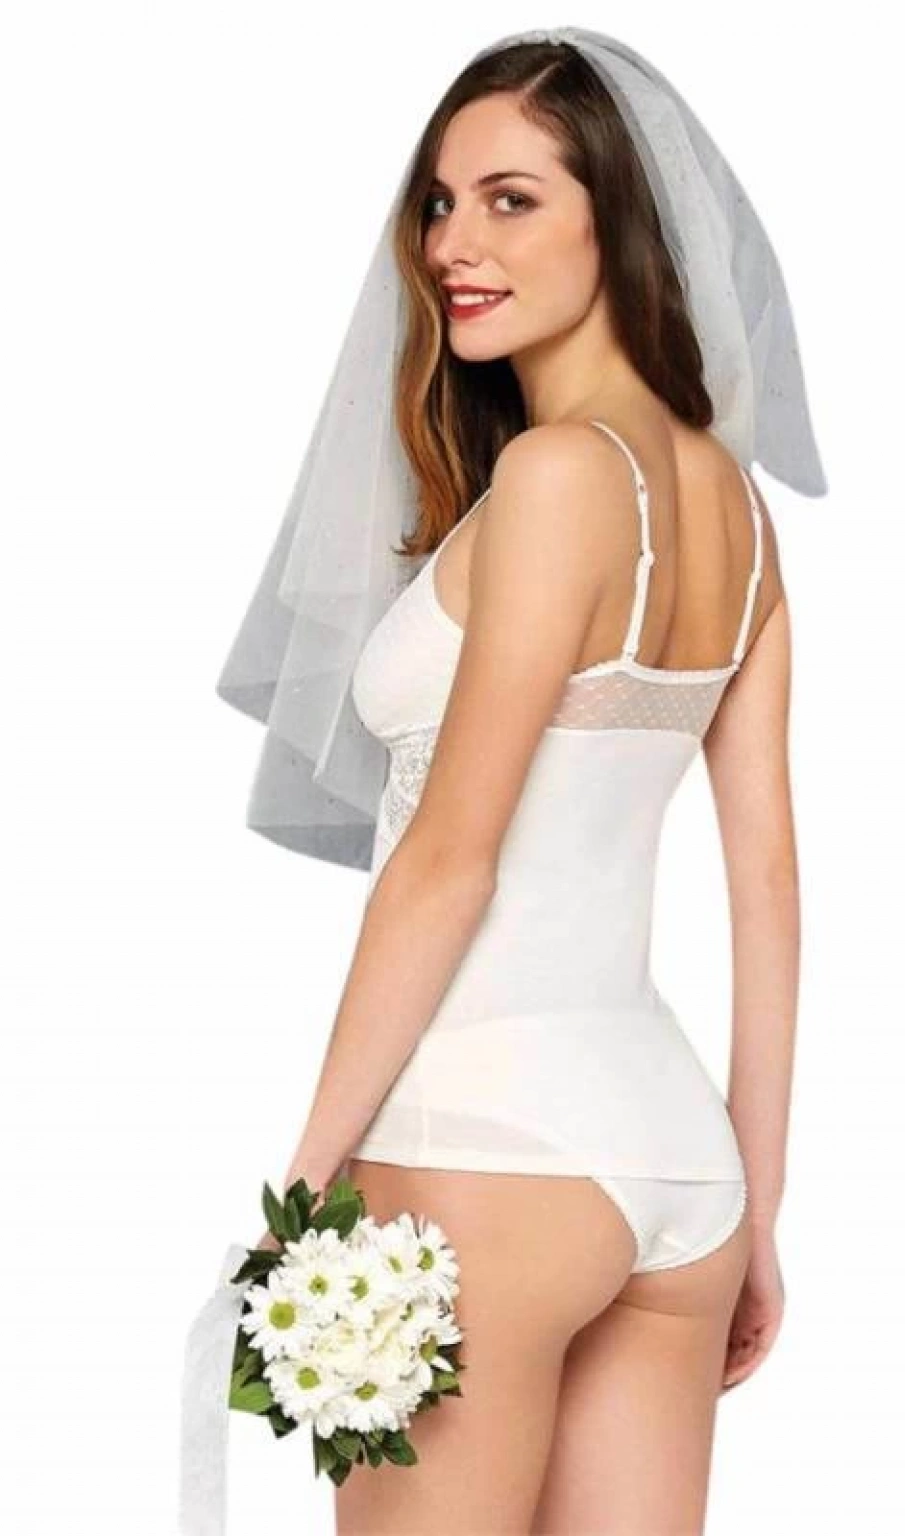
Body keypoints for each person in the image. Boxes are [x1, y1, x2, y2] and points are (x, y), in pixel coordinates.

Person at [193, 26, 823, 1536]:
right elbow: (768, 887)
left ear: (620, 217)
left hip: (481, 1146)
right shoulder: (731, 504)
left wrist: (306, 1183)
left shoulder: (555, 480)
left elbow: (445, 862)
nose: (451, 246)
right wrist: (754, 1211)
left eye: (512, 200)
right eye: (439, 202)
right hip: (672, 1159)